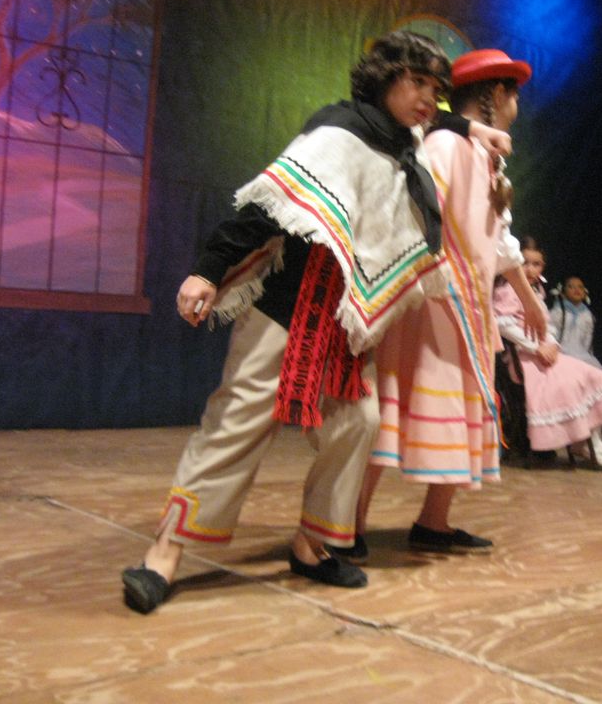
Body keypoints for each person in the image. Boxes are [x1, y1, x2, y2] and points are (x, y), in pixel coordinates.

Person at [120, 31, 512, 613]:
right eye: (416, 82)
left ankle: (313, 544)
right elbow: (266, 207)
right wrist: (207, 270)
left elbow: (438, 124)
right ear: (384, 79)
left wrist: (471, 129)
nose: (427, 98)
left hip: (348, 326)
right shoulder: (338, 134)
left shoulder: (405, 149)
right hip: (287, 309)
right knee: (237, 423)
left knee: (359, 422)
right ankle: (165, 552)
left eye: (435, 88)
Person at [345, 49, 546, 561]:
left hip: (469, 306)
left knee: (458, 409)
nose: (516, 105)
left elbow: (499, 241)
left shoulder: (484, 155)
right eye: (514, 95)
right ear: (497, 93)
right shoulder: (446, 145)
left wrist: (527, 298)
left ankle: (434, 522)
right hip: (432, 302)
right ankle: (347, 522)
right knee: (395, 409)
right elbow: (414, 209)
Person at [493, 242, 602, 470]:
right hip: (523, 359)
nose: (530, 269)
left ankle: (590, 441)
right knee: (569, 382)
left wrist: (553, 344)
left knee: (592, 375)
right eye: (525, 263)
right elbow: (503, 324)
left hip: (542, 354)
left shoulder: (536, 291)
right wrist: (536, 348)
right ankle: (587, 443)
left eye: (536, 264)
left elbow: (547, 325)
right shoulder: (507, 289)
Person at [549, 276, 602, 371]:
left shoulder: (587, 315)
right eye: (571, 287)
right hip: (561, 351)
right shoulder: (558, 311)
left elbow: (588, 340)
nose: (577, 290)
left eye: (580, 287)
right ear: (563, 292)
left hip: (582, 354)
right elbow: (551, 333)